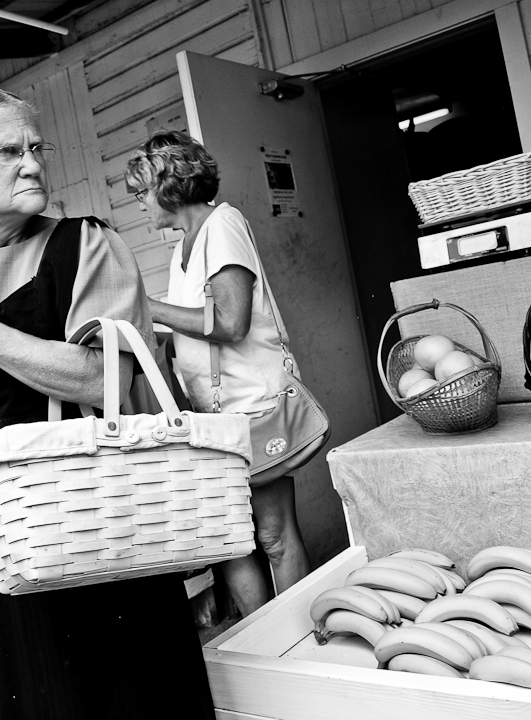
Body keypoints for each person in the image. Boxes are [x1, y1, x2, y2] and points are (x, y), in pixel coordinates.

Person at [0, 90, 215, 720]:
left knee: (122, 694)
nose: (31, 163)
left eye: (36, 147)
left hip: (96, 516)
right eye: (7, 151)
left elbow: (101, 378)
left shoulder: (85, 244)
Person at [125, 130, 311, 616]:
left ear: (169, 184)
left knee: (271, 535)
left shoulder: (222, 224)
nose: (139, 204)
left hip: (250, 407)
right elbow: (191, 328)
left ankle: (303, 645)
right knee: (232, 541)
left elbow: (231, 322)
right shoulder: (183, 245)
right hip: (215, 416)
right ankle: (265, 651)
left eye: (142, 192)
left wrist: (150, 309)